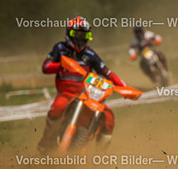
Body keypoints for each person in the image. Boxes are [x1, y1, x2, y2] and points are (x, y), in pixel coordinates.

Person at [37, 16, 127, 153]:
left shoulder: (90, 54)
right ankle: (47, 143)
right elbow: (45, 67)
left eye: (83, 35)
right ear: (69, 34)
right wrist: (61, 65)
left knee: (109, 117)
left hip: (87, 95)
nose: (80, 38)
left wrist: (124, 87)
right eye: (77, 34)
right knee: (57, 108)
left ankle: (101, 154)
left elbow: (106, 72)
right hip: (66, 93)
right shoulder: (60, 48)